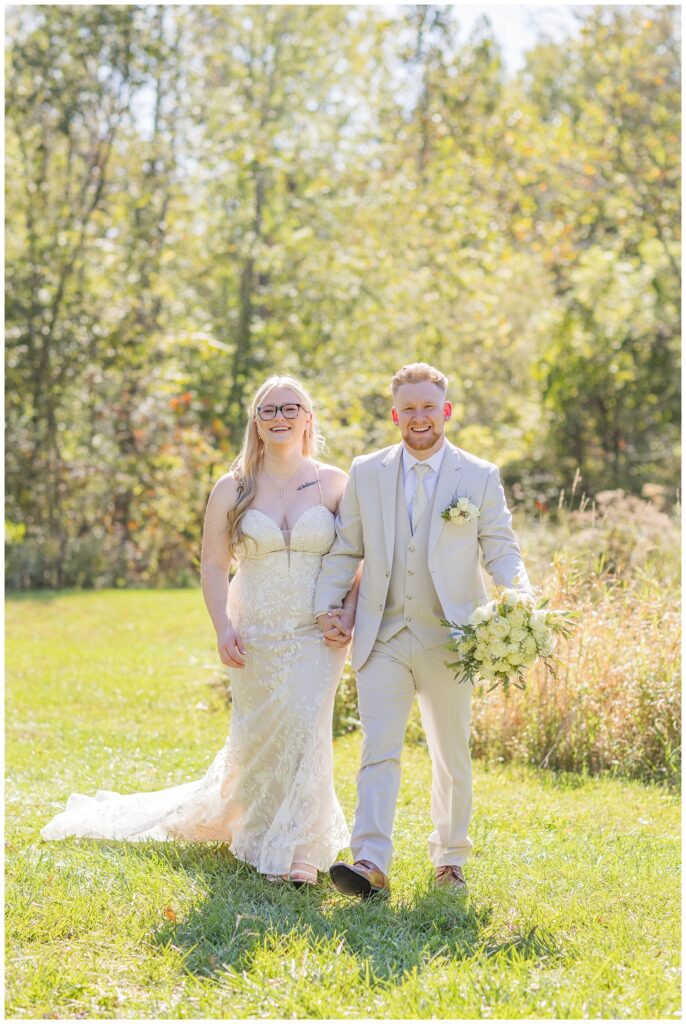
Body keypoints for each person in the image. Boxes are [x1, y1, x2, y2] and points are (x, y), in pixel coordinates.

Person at [42, 375, 356, 888]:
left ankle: (300, 848)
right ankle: (256, 822)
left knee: (307, 723)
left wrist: (348, 613)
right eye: (267, 410)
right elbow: (213, 565)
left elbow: (355, 561)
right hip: (254, 627)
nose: (278, 417)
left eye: (289, 408)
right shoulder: (233, 487)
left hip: (314, 630)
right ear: (256, 422)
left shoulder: (335, 483)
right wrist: (222, 627)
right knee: (260, 737)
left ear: (307, 417)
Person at [314, 362, 532, 898]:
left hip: (453, 639)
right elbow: (347, 547)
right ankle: (369, 862)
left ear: (446, 411)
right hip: (381, 635)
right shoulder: (367, 471)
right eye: (408, 408)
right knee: (379, 749)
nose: (418, 417)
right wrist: (328, 604)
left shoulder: (478, 476)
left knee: (450, 752)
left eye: (428, 407)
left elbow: (500, 547)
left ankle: (450, 859)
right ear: (395, 415)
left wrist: (521, 597)